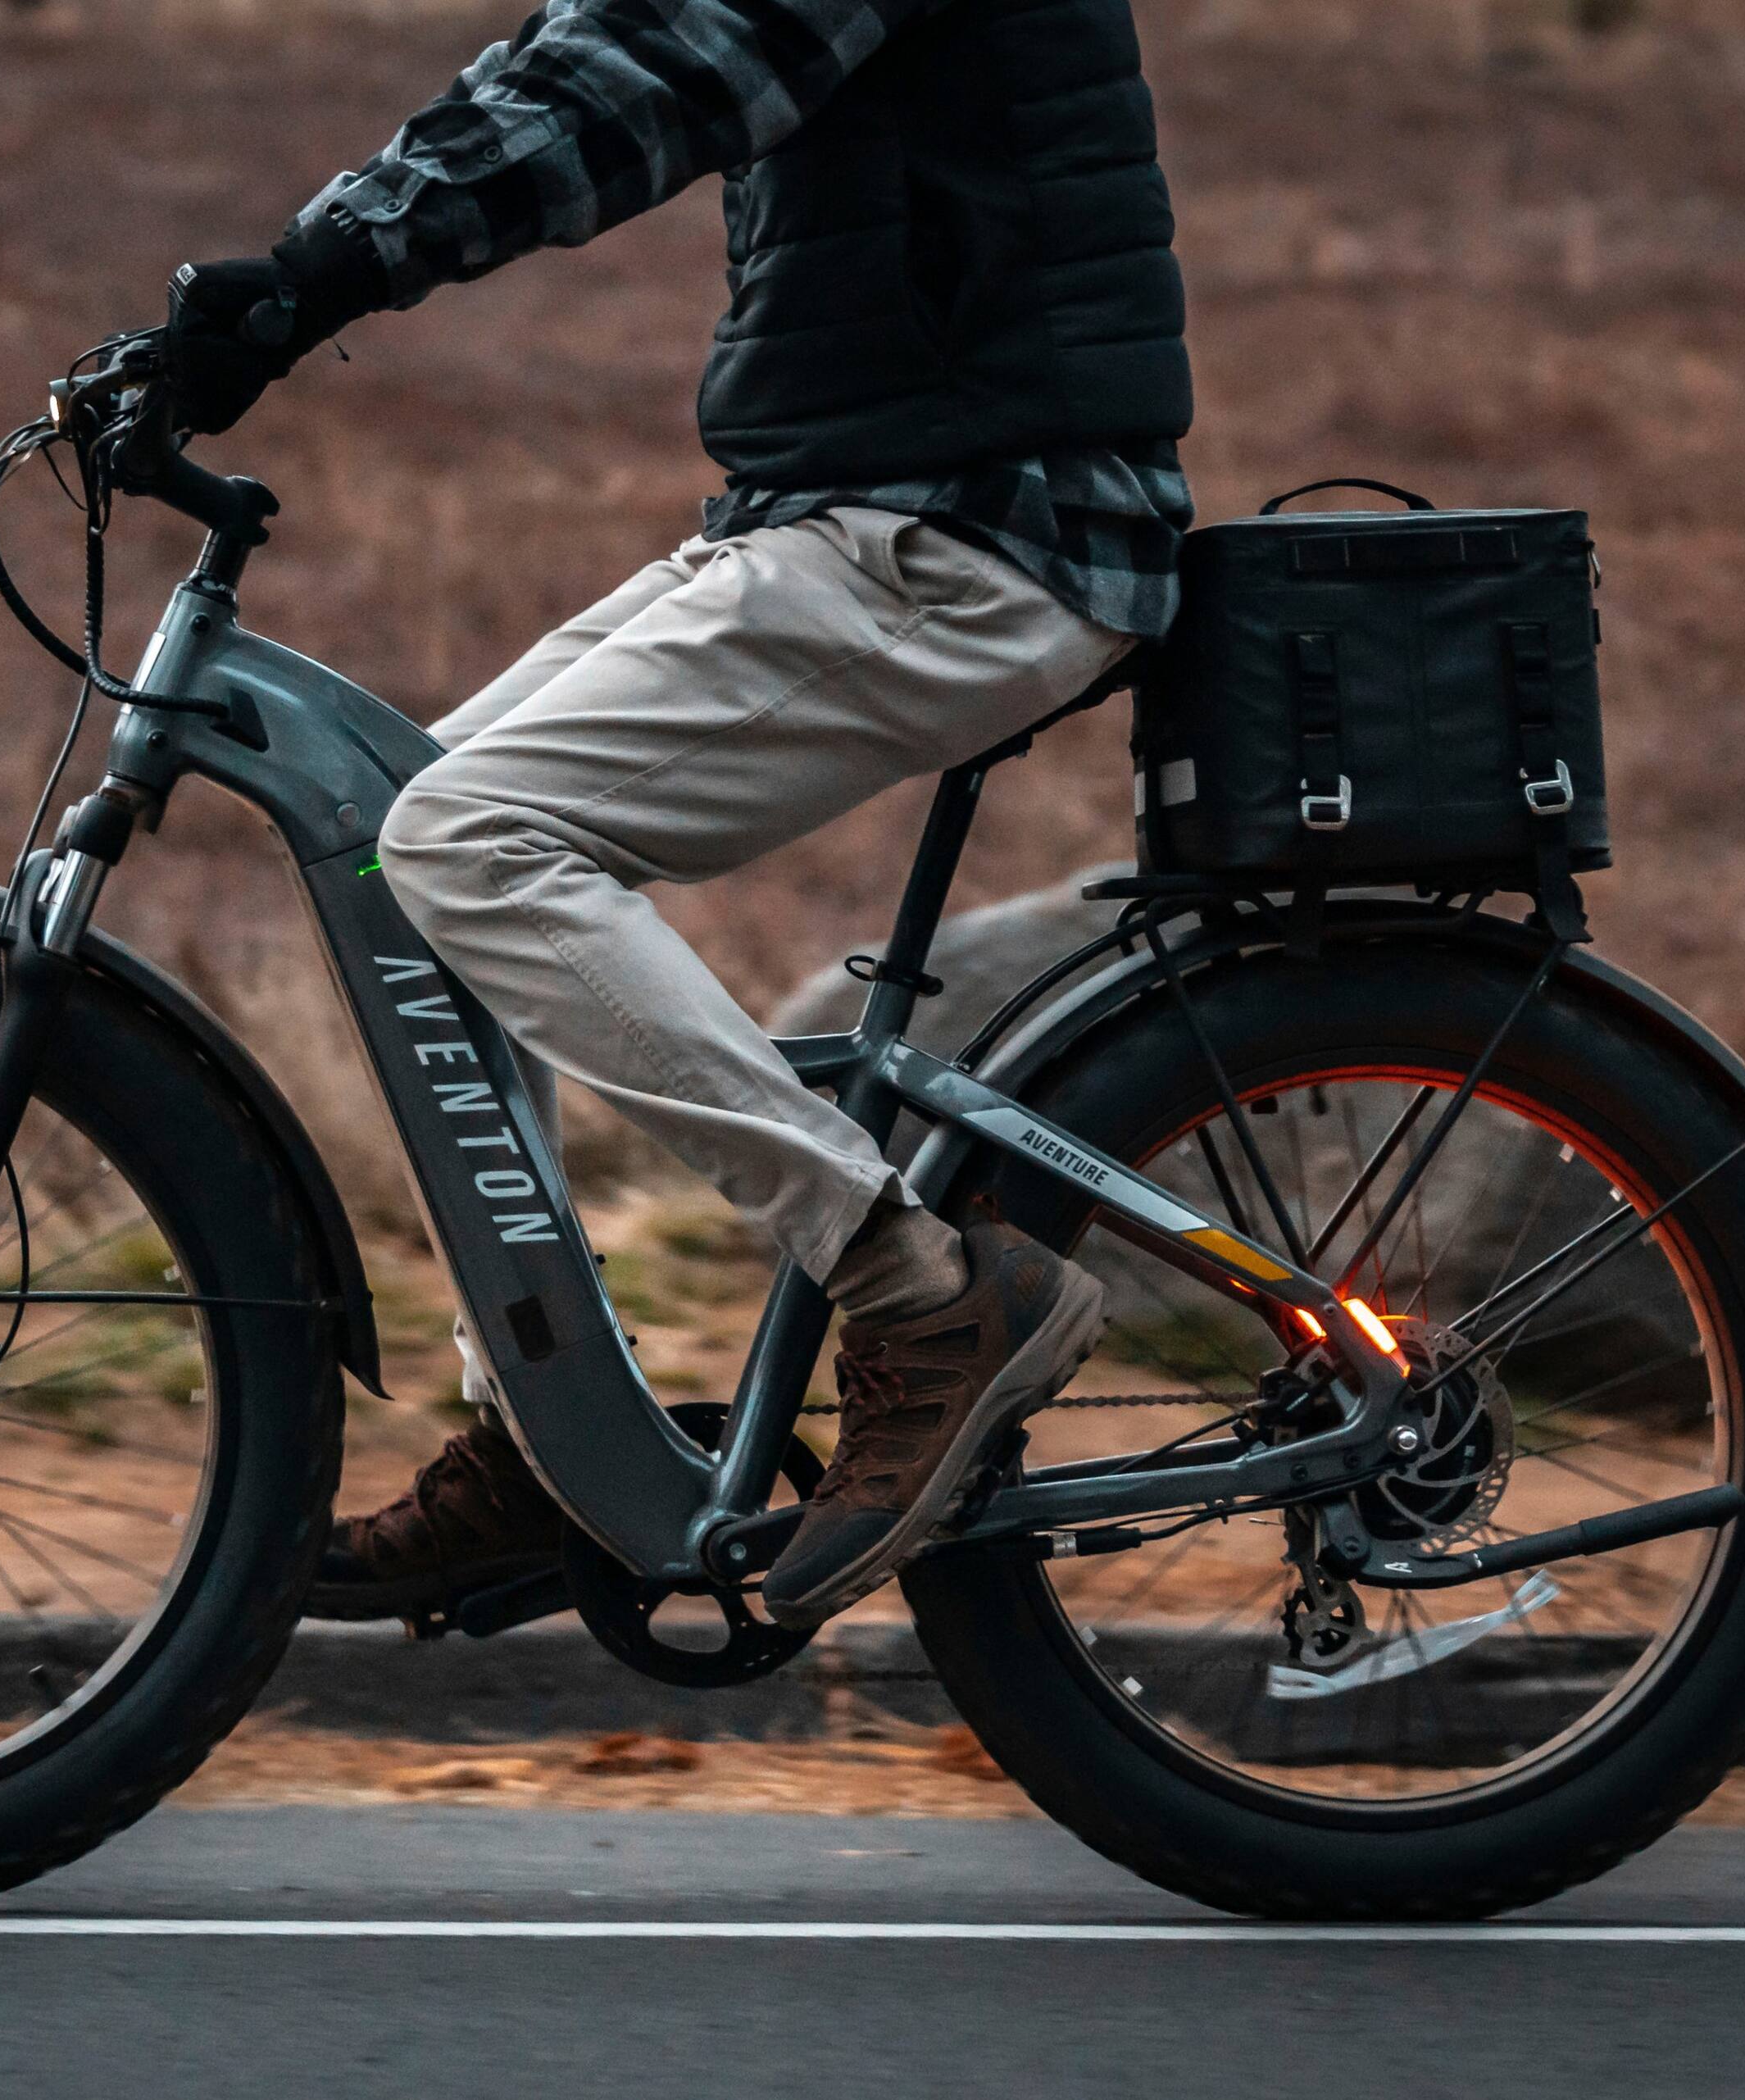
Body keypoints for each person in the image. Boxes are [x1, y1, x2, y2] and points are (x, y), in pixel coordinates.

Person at [157, 0, 1192, 1630]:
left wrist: (322, 271)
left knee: (465, 842)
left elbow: (667, 70)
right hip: (846, 506)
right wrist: (289, 282)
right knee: (396, 852)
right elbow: (569, 42)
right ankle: (555, 1418)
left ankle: (918, 1289)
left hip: (983, 526)